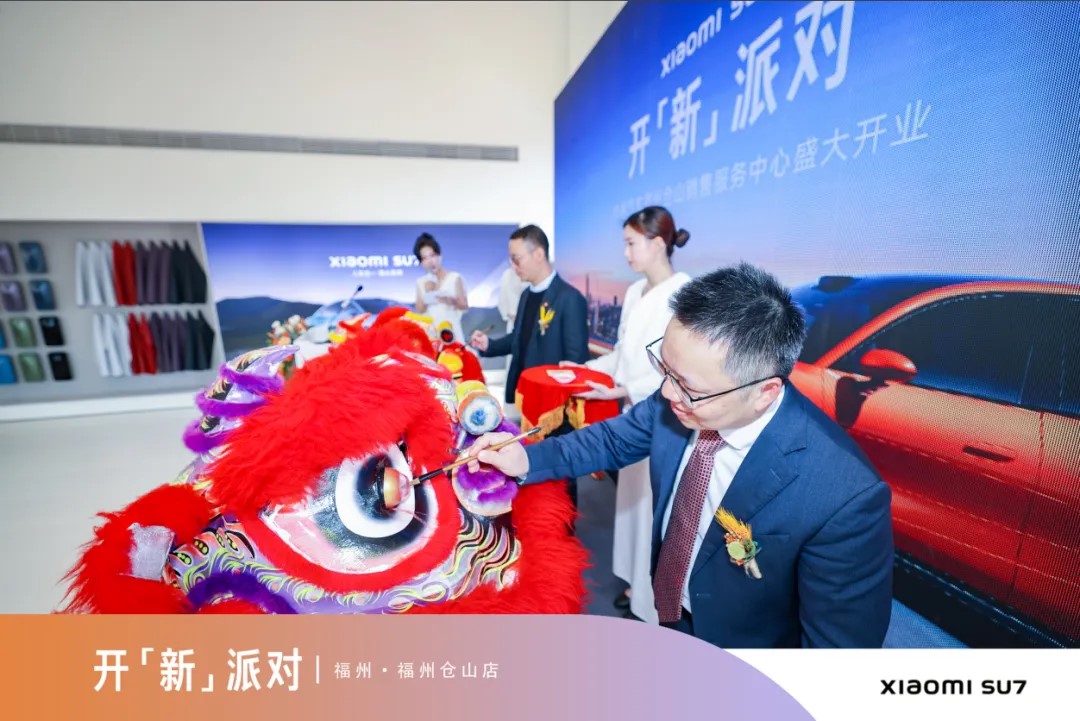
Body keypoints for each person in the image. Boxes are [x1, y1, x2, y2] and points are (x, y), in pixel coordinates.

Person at [465, 263, 894, 649]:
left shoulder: (843, 498)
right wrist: (523, 460)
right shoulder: (682, 397)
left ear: (765, 392)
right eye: (665, 370)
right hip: (670, 613)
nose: (668, 393)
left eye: (688, 387)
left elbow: (836, 657)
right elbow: (609, 441)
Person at [561, 206, 691, 624]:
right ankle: (637, 584)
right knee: (635, 505)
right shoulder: (635, 292)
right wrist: (584, 370)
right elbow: (622, 355)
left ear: (658, 243)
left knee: (659, 510)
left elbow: (681, 367)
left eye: (632, 243)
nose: (626, 253)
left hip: (669, 416)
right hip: (635, 413)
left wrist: (626, 388)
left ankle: (657, 599)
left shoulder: (685, 294)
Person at [469, 225, 588, 405]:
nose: (513, 267)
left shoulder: (569, 298)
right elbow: (519, 338)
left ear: (539, 255)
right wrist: (489, 345)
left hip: (553, 401)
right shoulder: (526, 294)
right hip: (526, 393)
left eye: (516, 260)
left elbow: (575, 361)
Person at [413, 233, 468, 345]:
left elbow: (464, 306)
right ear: (421, 263)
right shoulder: (421, 283)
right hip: (431, 336)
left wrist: (451, 301)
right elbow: (419, 311)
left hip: (452, 332)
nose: (430, 261)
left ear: (439, 255)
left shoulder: (454, 278)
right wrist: (427, 293)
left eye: (432, 255)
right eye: (425, 258)